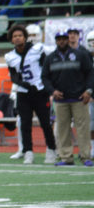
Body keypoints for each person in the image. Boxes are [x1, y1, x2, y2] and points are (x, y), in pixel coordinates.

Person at [5, 24, 57, 165]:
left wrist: (46, 85)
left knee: (45, 123)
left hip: (40, 91)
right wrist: (22, 84)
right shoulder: (10, 56)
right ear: (11, 39)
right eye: (15, 36)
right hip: (23, 93)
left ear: (25, 37)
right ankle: (28, 152)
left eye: (20, 35)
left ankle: (51, 150)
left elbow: (47, 67)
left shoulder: (37, 49)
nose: (17, 38)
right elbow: (13, 76)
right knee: (25, 124)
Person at [41, 30, 94, 167]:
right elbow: (45, 77)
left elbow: (90, 74)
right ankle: (66, 157)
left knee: (83, 129)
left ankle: (86, 157)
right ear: (56, 40)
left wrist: (89, 91)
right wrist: (52, 91)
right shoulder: (50, 58)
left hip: (79, 98)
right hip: (60, 100)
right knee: (62, 130)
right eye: (59, 39)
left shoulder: (80, 55)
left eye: (64, 38)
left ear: (68, 40)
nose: (62, 41)